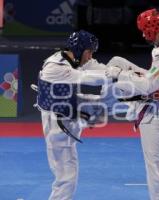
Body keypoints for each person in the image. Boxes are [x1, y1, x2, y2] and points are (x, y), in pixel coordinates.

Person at [107, 9, 159, 200]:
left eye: (144, 32)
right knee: (116, 62)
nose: (144, 36)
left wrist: (120, 75)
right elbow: (155, 78)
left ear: (150, 31)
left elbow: (147, 86)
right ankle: (92, 81)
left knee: (155, 166)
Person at [35, 30, 114, 200]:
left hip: (71, 109)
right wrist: (112, 75)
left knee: (108, 103)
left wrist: (120, 73)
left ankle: (144, 99)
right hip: (57, 124)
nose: (91, 56)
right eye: (89, 52)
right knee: (66, 177)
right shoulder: (56, 67)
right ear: (79, 49)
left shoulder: (73, 58)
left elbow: (97, 68)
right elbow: (87, 77)